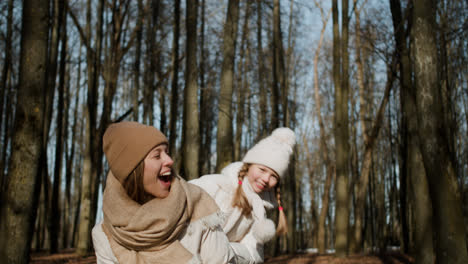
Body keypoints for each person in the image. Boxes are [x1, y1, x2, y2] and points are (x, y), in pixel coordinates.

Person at [92, 121, 236, 264]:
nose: (169, 160)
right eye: (157, 156)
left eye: (167, 152)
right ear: (132, 170)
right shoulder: (104, 235)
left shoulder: (199, 209)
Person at [190, 127, 296, 264]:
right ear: (248, 166)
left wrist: (226, 251)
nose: (265, 178)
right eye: (262, 170)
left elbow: (254, 255)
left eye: (273, 176)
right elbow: (177, 201)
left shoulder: (259, 214)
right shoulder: (216, 185)